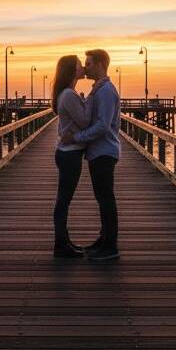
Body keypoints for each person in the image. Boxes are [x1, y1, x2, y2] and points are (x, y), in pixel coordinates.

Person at [62, 49, 121, 261]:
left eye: (88, 63)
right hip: (98, 151)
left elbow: (103, 126)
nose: (85, 67)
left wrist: (76, 137)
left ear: (99, 64)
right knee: (102, 197)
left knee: (106, 199)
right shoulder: (99, 89)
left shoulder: (105, 92)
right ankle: (103, 240)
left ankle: (111, 246)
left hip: (104, 151)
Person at [50, 55, 91, 258]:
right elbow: (84, 122)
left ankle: (64, 241)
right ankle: (61, 245)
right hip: (70, 154)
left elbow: (66, 124)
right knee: (64, 200)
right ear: (71, 70)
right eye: (78, 65)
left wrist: (82, 101)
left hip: (67, 152)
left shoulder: (68, 94)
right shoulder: (69, 95)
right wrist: (86, 102)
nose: (83, 67)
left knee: (64, 199)